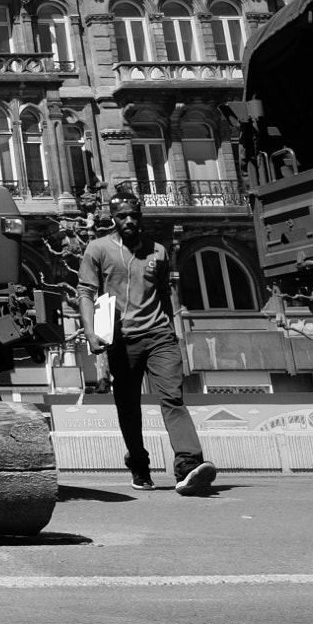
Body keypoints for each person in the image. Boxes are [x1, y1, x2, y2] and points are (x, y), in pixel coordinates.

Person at [76, 190, 218, 495]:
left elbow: (166, 294)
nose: (129, 221)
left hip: (159, 336)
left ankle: (189, 465)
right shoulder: (97, 249)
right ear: (112, 217)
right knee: (128, 407)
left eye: (134, 215)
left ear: (141, 217)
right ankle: (139, 466)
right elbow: (85, 293)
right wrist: (90, 333)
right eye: (122, 216)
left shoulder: (158, 251)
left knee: (172, 398)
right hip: (122, 342)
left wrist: (172, 328)